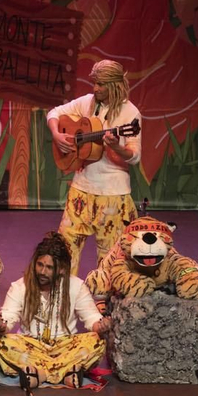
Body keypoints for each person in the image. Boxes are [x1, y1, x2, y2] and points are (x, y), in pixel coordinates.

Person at [47, 60, 143, 265]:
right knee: (65, 250)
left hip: (112, 194)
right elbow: (54, 113)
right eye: (94, 83)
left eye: (101, 84)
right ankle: (65, 286)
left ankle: (104, 288)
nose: (95, 88)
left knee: (110, 259)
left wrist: (117, 147)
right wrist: (56, 134)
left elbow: (135, 156)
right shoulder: (87, 102)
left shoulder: (130, 113)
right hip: (81, 189)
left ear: (114, 85)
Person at [0, 231, 113, 389]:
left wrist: (101, 326)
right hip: (31, 345)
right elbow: (8, 316)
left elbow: (92, 319)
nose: (42, 272)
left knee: (96, 342)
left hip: (65, 346)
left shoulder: (76, 286)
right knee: (2, 343)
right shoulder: (20, 286)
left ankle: (40, 374)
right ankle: (64, 373)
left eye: (49, 267)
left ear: (61, 269)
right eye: (40, 265)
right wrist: (1, 326)